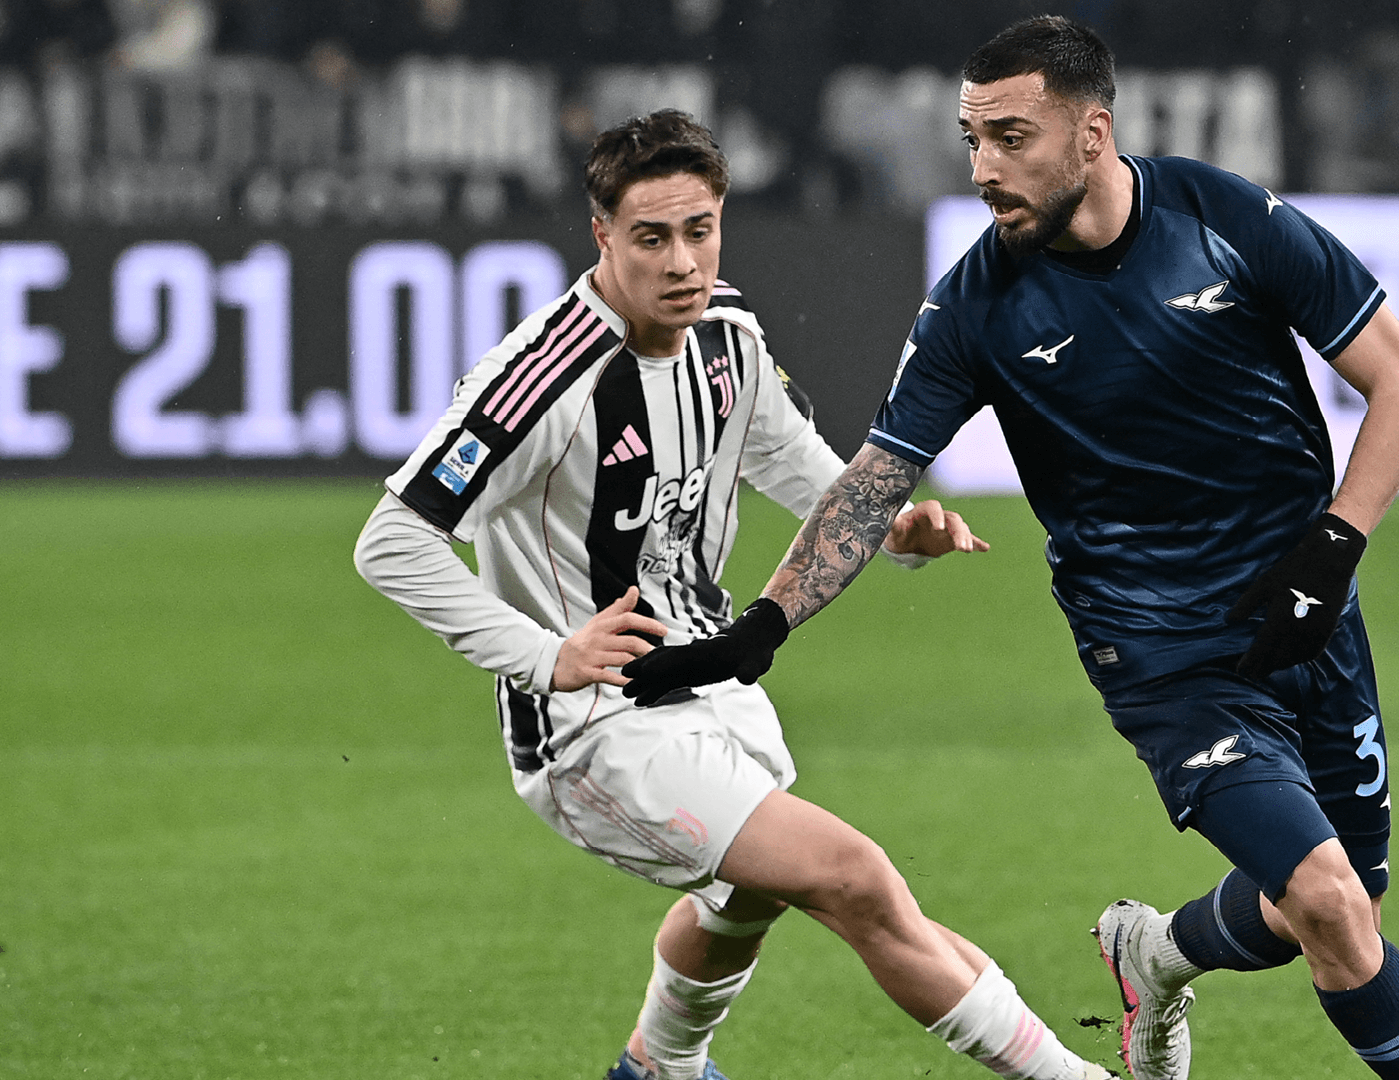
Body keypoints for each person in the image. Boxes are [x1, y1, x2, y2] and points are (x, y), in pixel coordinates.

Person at [623, 17, 1399, 1080]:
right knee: (1332, 908)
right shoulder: (973, 306)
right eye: (972, 139)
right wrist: (762, 626)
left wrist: (1333, 550)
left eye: (1011, 138)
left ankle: (1156, 953)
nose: (983, 168)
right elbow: (874, 483)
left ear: (1092, 134)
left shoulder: (1226, 218)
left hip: (1305, 613)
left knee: (1341, 905)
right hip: (1160, 652)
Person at [354, 109, 1117, 1080]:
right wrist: (546, 655)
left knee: (748, 895)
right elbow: (391, 542)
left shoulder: (726, 333)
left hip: (711, 678)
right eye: (651, 238)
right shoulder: (541, 380)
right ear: (601, 235)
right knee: (854, 878)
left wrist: (889, 529)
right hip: (596, 727)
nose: (682, 262)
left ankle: (658, 1067)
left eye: (700, 230)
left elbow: (787, 457)